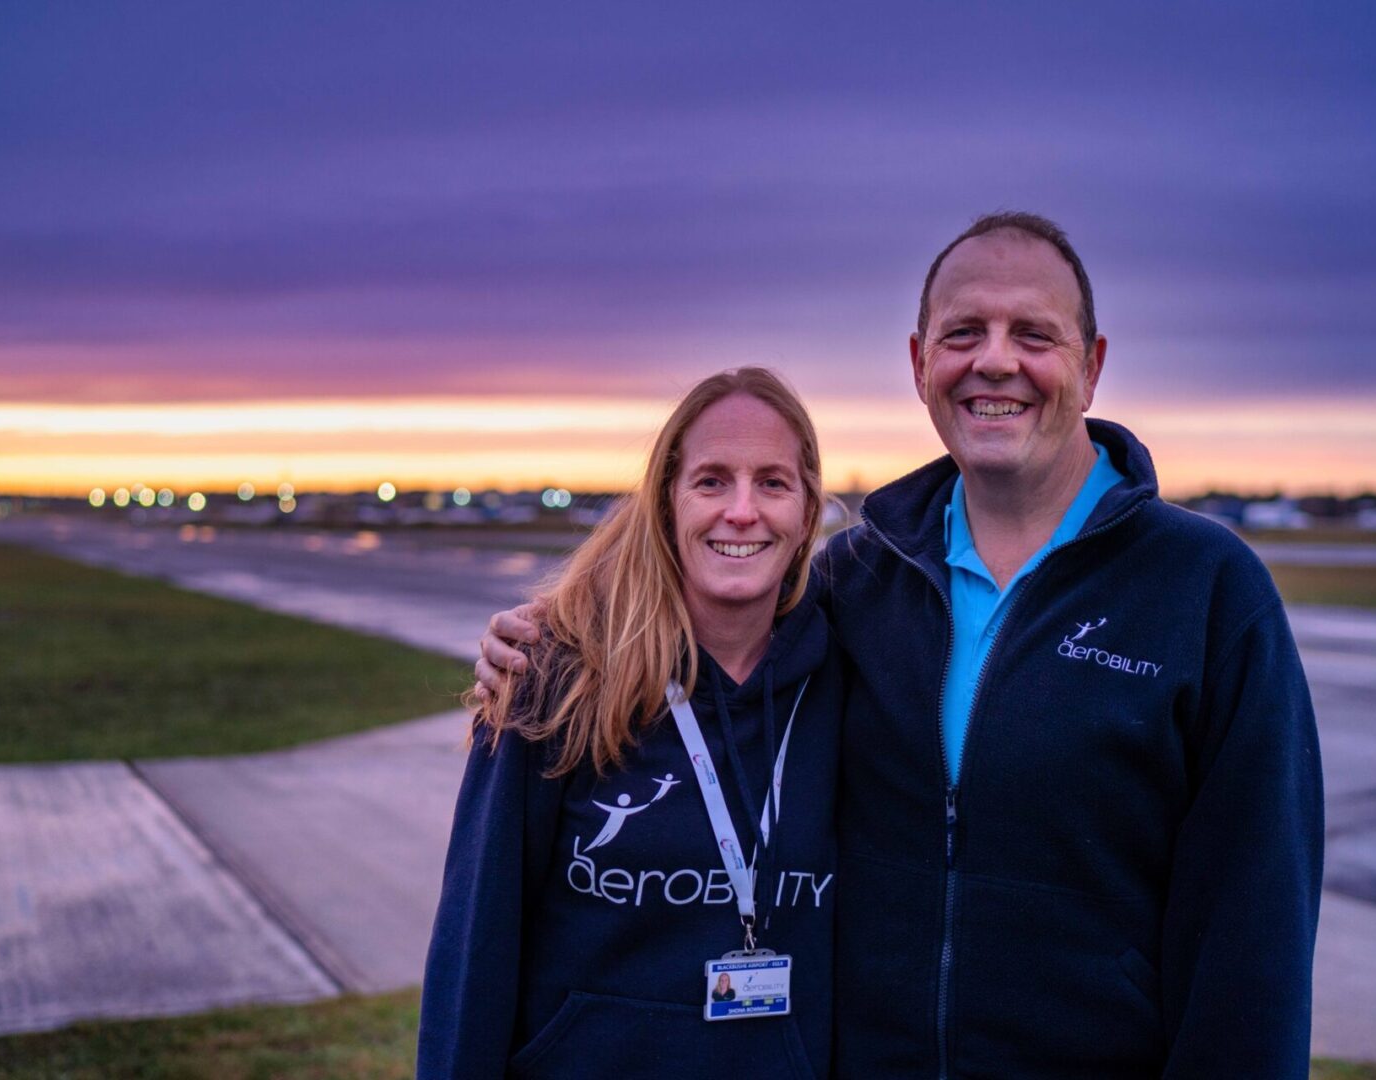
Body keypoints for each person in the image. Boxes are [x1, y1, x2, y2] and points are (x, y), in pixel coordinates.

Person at [478, 212, 1324, 1078]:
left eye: (1033, 334)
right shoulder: (854, 581)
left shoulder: (1205, 589)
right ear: (920, 364)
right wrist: (551, 642)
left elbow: (1252, 938)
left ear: (1092, 365)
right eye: (964, 334)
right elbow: (701, 634)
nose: (995, 360)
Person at [418, 367, 842, 1079]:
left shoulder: (851, 680)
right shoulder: (554, 678)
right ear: (668, 503)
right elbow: (476, 946)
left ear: (807, 516)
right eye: (711, 481)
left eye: (773, 483)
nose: (742, 510)